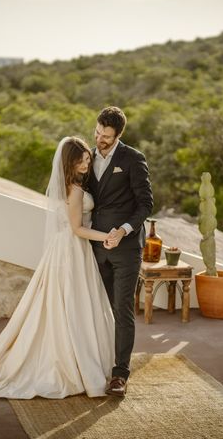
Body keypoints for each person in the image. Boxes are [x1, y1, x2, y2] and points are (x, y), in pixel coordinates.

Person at [0, 137, 116, 399]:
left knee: (64, 303)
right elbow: (77, 229)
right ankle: (74, 361)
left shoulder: (68, 186)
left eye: (88, 158)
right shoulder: (75, 191)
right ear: (71, 161)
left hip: (65, 249)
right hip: (73, 248)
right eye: (83, 159)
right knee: (72, 303)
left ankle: (74, 356)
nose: (87, 162)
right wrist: (107, 236)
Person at [88, 106, 153, 397]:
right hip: (94, 248)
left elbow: (146, 205)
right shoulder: (87, 157)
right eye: (98, 133)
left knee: (122, 309)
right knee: (96, 307)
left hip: (126, 249)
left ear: (119, 135)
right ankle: (95, 362)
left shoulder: (133, 159)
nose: (100, 139)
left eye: (106, 136)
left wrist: (124, 230)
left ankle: (120, 374)